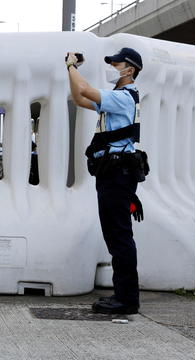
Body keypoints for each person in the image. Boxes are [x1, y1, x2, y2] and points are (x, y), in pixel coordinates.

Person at [66, 48, 146, 315]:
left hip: (117, 174)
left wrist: (72, 66)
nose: (111, 66)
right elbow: (79, 98)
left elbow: (86, 90)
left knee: (120, 236)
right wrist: (70, 71)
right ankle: (123, 296)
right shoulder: (119, 98)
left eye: (116, 63)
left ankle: (126, 299)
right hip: (113, 174)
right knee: (116, 236)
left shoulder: (124, 97)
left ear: (130, 70)